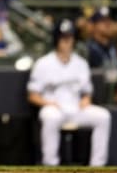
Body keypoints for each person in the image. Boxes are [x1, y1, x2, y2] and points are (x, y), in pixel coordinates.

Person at [27, 18, 111, 166]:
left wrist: (86, 99)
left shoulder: (81, 63)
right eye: (63, 38)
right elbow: (32, 95)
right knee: (50, 117)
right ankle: (50, 164)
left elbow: (87, 92)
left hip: (75, 107)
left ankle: (97, 166)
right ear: (56, 39)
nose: (67, 41)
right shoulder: (43, 63)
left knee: (103, 116)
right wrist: (48, 103)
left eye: (69, 37)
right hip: (53, 107)